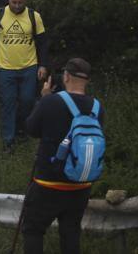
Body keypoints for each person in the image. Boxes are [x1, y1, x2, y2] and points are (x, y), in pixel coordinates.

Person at [22, 58, 103, 254]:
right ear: (87, 80)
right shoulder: (97, 107)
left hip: (48, 183)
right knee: (71, 233)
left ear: (66, 76)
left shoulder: (50, 101)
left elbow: (31, 129)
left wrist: (43, 98)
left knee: (33, 230)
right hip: (80, 185)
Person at [0, 0, 48, 151]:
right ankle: (8, 140)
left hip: (29, 66)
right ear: (8, 0)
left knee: (27, 101)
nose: (17, 6)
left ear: (25, 0)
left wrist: (43, 65)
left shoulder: (34, 16)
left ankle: (22, 131)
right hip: (6, 67)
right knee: (8, 103)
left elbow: (42, 43)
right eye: (14, 2)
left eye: (20, 2)